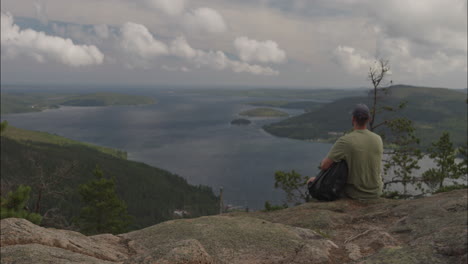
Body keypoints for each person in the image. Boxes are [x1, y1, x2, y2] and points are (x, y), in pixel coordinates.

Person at [307, 104, 383, 199]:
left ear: (353, 119)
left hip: (355, 193)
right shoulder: (378, 139)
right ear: (368, 119)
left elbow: (324, 165)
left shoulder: (345, 141)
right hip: (376, 191)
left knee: (311, 181)